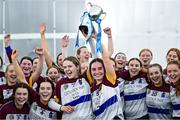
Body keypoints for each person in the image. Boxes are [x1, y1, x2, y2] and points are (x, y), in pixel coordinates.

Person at [88, 44, 124, 120]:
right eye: (94, 69)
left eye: (100, 68)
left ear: (105, 69)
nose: (97, 72)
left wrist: (97, 38)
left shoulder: (110, 80)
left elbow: (105, 58)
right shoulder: (91, 88)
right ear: (90, 72)